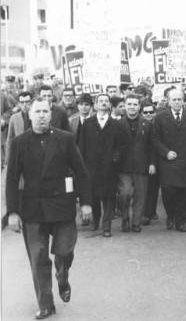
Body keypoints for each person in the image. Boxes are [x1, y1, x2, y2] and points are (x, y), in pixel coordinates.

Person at [6, 98, 92, 320]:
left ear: (51, 115)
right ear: (30, 115)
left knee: (65, 251)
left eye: (46, 111)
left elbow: (81, 172)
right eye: (38, 112)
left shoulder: (65, 139)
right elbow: (12, 180)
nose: (42, 115)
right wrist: (13, 212)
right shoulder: (19, 143)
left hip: (61, 207)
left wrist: (85, 203)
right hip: (32, 210)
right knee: (38, 258)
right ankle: (46, 304)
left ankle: (62, 276)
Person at [152, 89, 186, 232]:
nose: (176, 102)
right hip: (168, 162)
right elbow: (155, 140)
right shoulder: (160, 117)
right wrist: (166, 152)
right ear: (168, 101)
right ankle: (170, 216)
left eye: (179, 99)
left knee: (184, 192)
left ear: (183, 101)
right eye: (173, 100)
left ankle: (180, 221)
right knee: (168, 192)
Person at [78, 94, 128, 237]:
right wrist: (82, 165)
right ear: (95, 105)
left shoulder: (116, 125)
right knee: (93, 195)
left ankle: (107, 226)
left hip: (109, 167)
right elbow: (81, 145)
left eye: (106, 101)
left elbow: (122, 145)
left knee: (108, 197)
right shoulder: (88, 124)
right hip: (91, 166)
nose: (104, 103)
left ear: (110, 105)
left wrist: (115, 158)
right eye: (101, 101)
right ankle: (96, 220)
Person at [117, 95, 155, 233]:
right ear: (125, 106)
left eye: (135, 104)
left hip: (141, 165)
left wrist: (152, 163)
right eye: (129, 104)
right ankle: (125, 218)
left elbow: (151, 146)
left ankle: (136, 223)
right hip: (123, 166)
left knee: (140, 195)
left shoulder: (147, 124)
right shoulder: (118, 124)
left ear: (139, 107)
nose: (132, 107)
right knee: (125, 193)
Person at [140, 102, 160, 225]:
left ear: (155, 113)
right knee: (147, 188)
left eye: (151, 112)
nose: (148, 114)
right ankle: (146, 213)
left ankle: (152, 211)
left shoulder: (159, 124)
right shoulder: (141, 125)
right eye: (145, 112)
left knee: (155, 188)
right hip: (146, 160)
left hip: (161, 159)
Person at [6, 91, 33, 164]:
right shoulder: (14, 118)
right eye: (22, 102)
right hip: (20, 156)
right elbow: (10, 139)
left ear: (31, 103)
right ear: (18, 104)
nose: (24, 105)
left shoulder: (36, 117)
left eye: (27, 102)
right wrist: (8, 159)